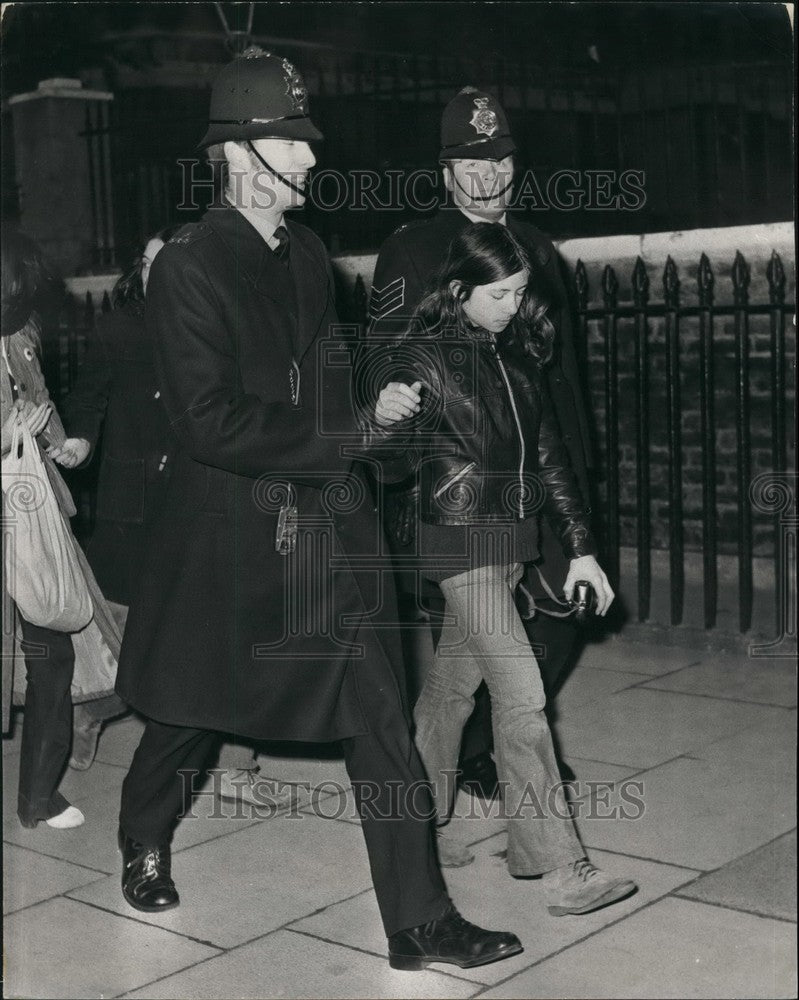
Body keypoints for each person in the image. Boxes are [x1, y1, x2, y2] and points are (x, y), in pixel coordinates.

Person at [114, 48, 521, 973]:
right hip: (223, 536)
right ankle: (143, 835)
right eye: (290, 145)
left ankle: (417, 922)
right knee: (187, 712)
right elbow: (210, 420)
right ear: (239, 157)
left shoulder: (304, 254)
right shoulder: (185, 267)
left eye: (303, 144)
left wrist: (386, 397)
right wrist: (348, 432)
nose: (306, 162)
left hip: (318, 532)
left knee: (379, 717)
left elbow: (323, 374)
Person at [373, 222, 637, 916]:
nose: (512, 307)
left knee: (449, 696)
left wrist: (581, 549)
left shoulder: (518, 362)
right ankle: (560, 866)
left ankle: (417, 827)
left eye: (520, 293)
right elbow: (386, 463)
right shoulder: (420, 360)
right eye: (498, 294)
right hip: (456, 543)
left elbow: (551, 464)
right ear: (457, 290)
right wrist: (387, 420)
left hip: (510, 546)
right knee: (521, 698)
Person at [369, 87, 593, 855]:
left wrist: (578, 493)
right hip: (454, 497)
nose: (487, 175)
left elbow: (559, 382)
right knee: (506, 668)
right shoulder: (412, 250)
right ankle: (547, 848)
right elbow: (387, 365)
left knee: (513, 648)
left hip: (535, 483)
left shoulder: (538, 249)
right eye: (471, 162)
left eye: (498, 159)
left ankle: (434, 786)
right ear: (444, 171)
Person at [61, 229, 271, 802]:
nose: (160, 273)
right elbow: (88, 395)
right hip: (133, 504)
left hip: (200, 497)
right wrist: (79, 439)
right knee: (132, 639)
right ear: (140, 271)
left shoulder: (220, 328)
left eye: (173, 263)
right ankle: (94, 710)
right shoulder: (118, 326)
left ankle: (234, 766)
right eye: (150, 262)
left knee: (219, 629)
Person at [1, 229, 120, 829]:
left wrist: (63, 443)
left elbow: (42, 406)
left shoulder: (21, 337)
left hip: (34, 520)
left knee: (52, 654)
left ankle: (39, 795)